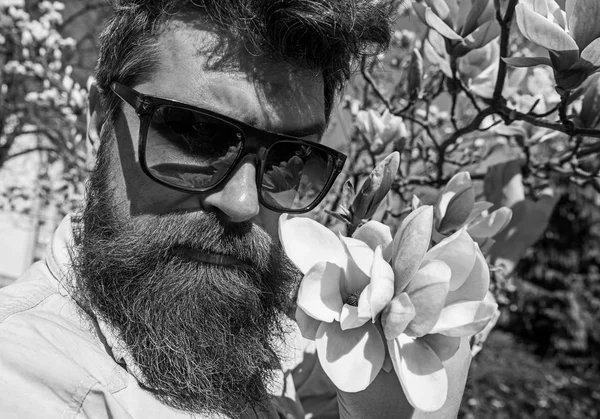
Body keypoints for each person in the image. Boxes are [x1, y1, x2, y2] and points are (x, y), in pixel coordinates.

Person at [0, 1, 471, 417]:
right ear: (100, 123)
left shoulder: (284, 348)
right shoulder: (26, 382)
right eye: (194, 133)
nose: (243, 203)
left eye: (289, 158)